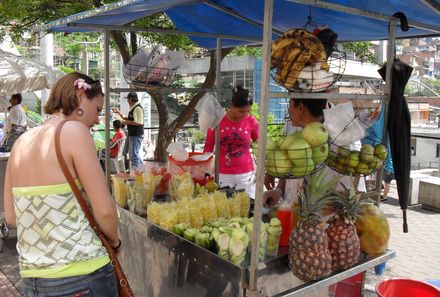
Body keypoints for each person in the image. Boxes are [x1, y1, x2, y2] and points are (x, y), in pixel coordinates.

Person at [3, 72, 120, 296]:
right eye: (97, 110)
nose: (97, 119)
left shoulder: (20, 143)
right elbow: (105, 210)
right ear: (79, 96)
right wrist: (115, 243)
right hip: (82, 275)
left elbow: (11, 217)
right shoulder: (75, 131)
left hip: (33, 281)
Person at [263, 98, 365, 207]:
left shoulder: (345, 134)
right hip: (292, 210)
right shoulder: (291, 125)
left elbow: (354, 191)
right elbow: (290, 165)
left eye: (290, 105)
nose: (288, 110)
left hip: (326, 219)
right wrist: (278, 191)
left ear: (301, 108)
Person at [203, 86, 259, 198]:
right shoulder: (217, 120)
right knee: (225, 206)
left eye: (248, 111)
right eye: (241, 111)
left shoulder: (251, 120)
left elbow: (261, 143)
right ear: (232, 106)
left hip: (246, 173)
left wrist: (263, 166)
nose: (245, 114)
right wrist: (205, 168)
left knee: (248, 206)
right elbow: (209, 145)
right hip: (222, 173)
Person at [113, 92, 144, 170]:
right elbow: (129, 118)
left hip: (136, 135)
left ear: (130, 99)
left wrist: (127, 122)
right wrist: (119, 113)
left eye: (127, 99)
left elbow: (139, 122)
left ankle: (137, 174)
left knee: (134, 156)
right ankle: (141, 171)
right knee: (134, 155)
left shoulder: (137, 108)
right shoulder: (133, 107)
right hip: (133, 134)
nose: (127, 101)